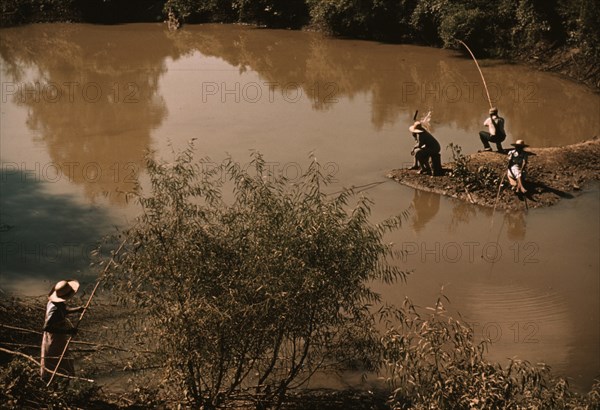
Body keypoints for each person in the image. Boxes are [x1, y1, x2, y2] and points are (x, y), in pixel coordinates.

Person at [40, 279, 84, 381]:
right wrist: (68, 332)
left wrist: (77, 310)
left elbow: (63, 312)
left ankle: (59, 382)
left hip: (57, 337)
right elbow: (46, 327)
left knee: (60, 360)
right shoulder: (54, 309)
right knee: (56, 361)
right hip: (54, 339)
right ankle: (55, 383)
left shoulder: (55, 303)